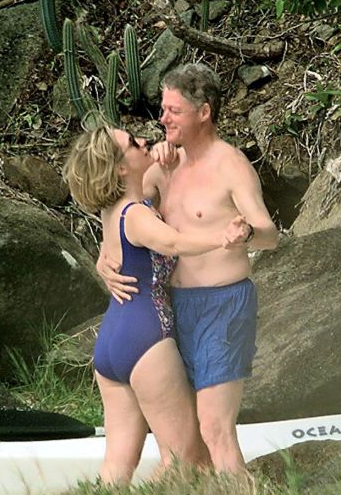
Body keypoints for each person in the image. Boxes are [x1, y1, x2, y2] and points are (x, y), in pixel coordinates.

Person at [97, 62, 280, 474]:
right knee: (187, 442)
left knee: (214, 426)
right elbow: (119, 217)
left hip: (222, 305)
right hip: (171, 309)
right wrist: (102, 263)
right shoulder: (161, 167)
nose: (162, 119)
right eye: (162, 109)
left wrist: (246, 234)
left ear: (204, 112)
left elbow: (270, 232)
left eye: (173, 111)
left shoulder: (231, 165)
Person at [63, 122, 250, 485]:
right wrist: (223, 237)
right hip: (146, 340)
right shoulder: (135, 214)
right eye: (133, 143)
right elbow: (175, 243)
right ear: (119, 167)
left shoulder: (113, 210)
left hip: (111, 344)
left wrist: (165, 161)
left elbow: (151, 193)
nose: (144, 141)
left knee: (117, 465)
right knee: (187, 460)